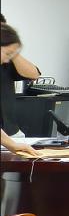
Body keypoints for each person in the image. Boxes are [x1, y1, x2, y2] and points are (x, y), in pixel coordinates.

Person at [0, 22, 38, 155]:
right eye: (8, 53)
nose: (7, 60)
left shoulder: (6, 64)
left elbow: (34, 74)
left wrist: (13, 145)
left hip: (10, 131)